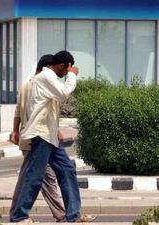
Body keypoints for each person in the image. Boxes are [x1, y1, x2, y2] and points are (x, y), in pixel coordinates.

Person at [10, 51, 96, 223]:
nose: (65, 75)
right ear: (63, 66)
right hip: (41, 135)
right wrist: (72, 76)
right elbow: (64, 94)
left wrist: (56, 130)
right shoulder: (45, 76)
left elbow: (49, 110)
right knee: (35, 175)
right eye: (66, 70)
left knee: (67, 170)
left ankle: (74, 214)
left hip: (50, 136)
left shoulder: (49, 79)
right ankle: (19, 216)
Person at [10, 54, 66, 222]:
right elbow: (21, 110)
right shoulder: (33, 85)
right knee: (42, 177)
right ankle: (61, 215)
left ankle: (16, 214)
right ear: (47, 68)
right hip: (36, 138)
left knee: (31, 177)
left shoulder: (38, 84)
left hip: (41, 137)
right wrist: (15, 131)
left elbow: (48, 113)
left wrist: (56, 130)